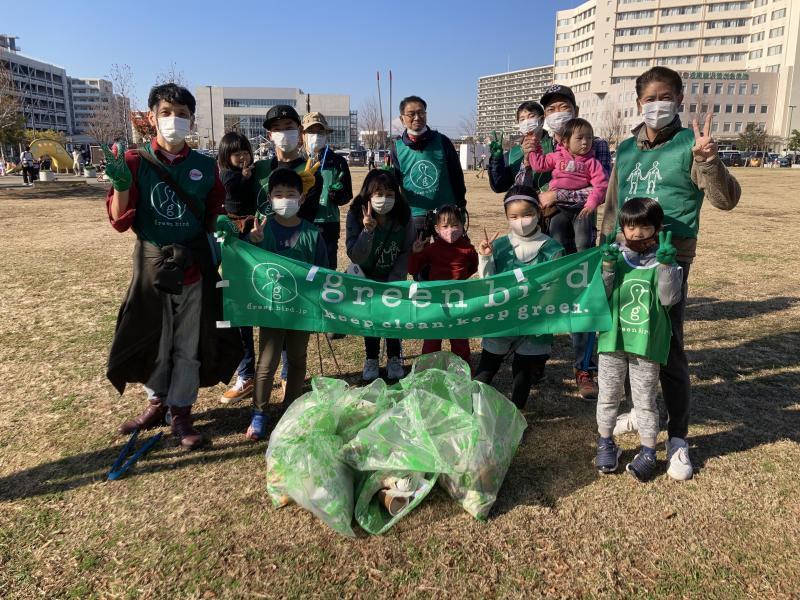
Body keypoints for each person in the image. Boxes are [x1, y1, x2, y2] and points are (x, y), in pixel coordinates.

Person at [601, 66, 741, 480]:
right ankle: (639, 410)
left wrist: (710, 162)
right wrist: (604, 246)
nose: (657, 104)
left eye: (666, 96)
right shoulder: (626, 149)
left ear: (679, 99)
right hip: (624, 259)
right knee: (627, 338)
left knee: (668, 346)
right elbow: (613, 204)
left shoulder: (690, 145)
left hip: (668, 259)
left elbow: (725, 200)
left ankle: (678, 437)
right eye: (649, 98)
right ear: (638, 102)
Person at [104, 83, 240, 450]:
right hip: (152, 265)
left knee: (188, 339)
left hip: (194, 264)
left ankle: (181, 411)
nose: (174, 121)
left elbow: (213, 212)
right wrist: (120, 185)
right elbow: (119, 221)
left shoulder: (203, 165)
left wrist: (222, 223)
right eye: (166, 113)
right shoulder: (133, 162)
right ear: (151, 118)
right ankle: (156, 402)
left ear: (191, 120)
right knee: (154, 336)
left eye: (181, 114)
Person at [594, 198, 683, 481]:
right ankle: (606, 443)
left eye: (645, 226)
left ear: (657, 228)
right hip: (613, 341)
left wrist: (667, 267)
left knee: (645, 400)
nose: (637, 233)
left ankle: (647, 451)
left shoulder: (665, 258)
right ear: (623, 227)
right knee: (608, 397)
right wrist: (606, 266)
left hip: (646, 344)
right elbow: (600, 296)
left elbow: (669, 300)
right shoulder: (614, 254)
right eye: (630, 227)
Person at [539, 84, 613, 400]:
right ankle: (533, 361)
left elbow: (603, 189)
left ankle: (584, 367)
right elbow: (521, 192)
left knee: (583, 303)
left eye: (562, 106)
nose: (558, 113)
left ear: (575, 110)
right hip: (545, 237)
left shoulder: (595, 145)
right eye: (551, 108)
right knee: (542, 300)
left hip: (582, 234)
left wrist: (558, 196)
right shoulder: (538, 147)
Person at [244, 168, 329, 441]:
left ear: (301, 199)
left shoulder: (312, 234)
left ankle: (290, 407)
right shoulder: (263, 228)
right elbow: (247, 262)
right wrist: (252, 241)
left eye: (290, 195)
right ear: (270, 198)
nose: (285, 200)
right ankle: (259, 411)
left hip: (301, 310)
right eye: (278, 195)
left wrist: (319, 305)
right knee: (267, 362)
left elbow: (325, 273)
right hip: (271, 309)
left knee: (296, 358)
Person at [473, 185, 564, 410]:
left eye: (527, 214)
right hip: (502, 318)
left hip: (534, 322)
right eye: (513, 216)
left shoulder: (552, 249)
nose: (521, 221)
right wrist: (485, 258)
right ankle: (471, 408)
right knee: (487, 367)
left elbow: (557, 286)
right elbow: (488, 283)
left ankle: (517, 413)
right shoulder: (501, 246)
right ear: (506, 217)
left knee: (523, 372)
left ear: (539, 213)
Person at [346, 169, 415, 382]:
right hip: (366, 276)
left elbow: (406, 250)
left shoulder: (403, 215)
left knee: (393, 318)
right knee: (371, 319)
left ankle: (394, 357)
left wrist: (395, 280)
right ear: (368, 195)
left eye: (389, 193)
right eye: (378, 193)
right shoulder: (356, 214)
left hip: (392, 277)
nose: (384, 198)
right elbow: (354, 255)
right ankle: (371, 359)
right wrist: (367, 231)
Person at [408, 205, 478, 368]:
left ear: (462, 226)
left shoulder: (468, 249)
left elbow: (474, 266)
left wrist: (461, 279)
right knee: (431, 342)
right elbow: (413, 269)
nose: (450, 230)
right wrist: (416, 253)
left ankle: (462, 371)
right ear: (437, 229)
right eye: (445, 226)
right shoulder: (432, 249)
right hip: (436, 303)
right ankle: (427, 370)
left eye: (455, 226)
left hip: (458, 303)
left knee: (460, 342)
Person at [217, 131, 259, 405]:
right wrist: (244, 175)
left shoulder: (255, 172)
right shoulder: (226, 176)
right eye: (236, 153)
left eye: (245, 151)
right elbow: (230, 187)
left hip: (256, 233)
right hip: (232, 236)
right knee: (237, 309)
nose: (242, 157)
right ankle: (246, 374)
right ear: (225, 157)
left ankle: (283, 372)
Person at [390, 95, 467, 235]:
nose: (417, 117)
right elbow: (395, 183)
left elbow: (456, 174)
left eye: (421, 113)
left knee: (448, 256)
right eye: (411, 114)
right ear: (402, 119)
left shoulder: (442, 141)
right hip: (415, 214)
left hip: (446, 212)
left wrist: (461, 204)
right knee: (418, 256)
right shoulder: (397, 147)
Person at [527, 117, 608, 220]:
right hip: (557, 207)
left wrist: (592, 203)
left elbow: (601, 184)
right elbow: (539, 165)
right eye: (579, 138)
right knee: (557, 232)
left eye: (589, 138)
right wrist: (534, 148)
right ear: (565, 142)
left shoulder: (592, 163)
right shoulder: (557, 156)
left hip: (580, 207)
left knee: (582, 233)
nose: (585, 142)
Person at [301, 111, 353, 271]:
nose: (315, 136)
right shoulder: (297, 161)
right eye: (311, 131)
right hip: (300, 221)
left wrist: (338, 196)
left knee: (327, 268)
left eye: (320, 132)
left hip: (328, 222)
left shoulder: (338, 161)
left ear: (326, 135)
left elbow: (347, 195)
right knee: (303, 268)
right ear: (302, 134)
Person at [253, 104, 322, 223]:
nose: (283, 133)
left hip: (294, 239)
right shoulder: (258, 168)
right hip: (260, 238)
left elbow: (307, 219)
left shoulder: (310, 174)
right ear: (270, 135)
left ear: (300, 131)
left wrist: (301, 193)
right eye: (277, 129)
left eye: (289, 128)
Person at [488, 100, 555, 194]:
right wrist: (496, 160)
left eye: (531, 116)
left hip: (551, 205)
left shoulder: (555, 146)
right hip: (523, 206)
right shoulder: (512, 154)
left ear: (542, 120)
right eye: (522, 119)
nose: (527, 122)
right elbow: (499, 186)